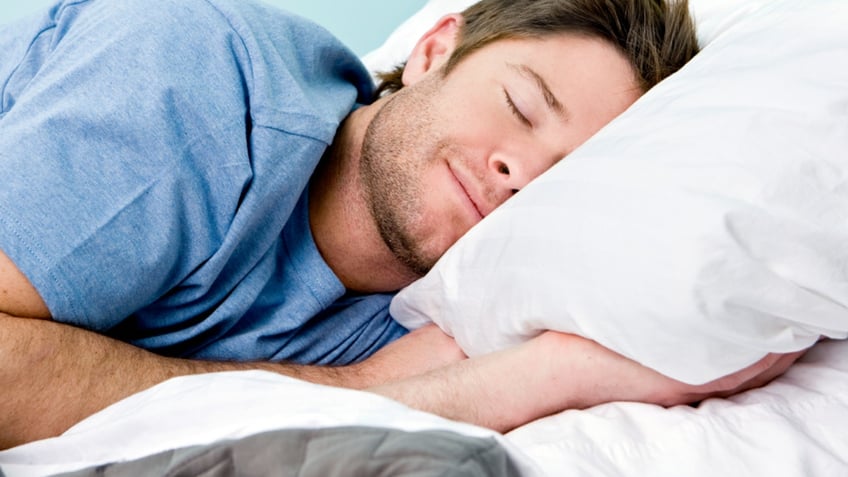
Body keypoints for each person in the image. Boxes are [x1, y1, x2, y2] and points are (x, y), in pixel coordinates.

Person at [0, 0, 801, 449]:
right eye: (520, 106)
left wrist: (559, 372)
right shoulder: (201, 82)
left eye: (558, 180)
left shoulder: (448, 319)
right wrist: (363, 390)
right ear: (434, 49)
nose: (516, 171)